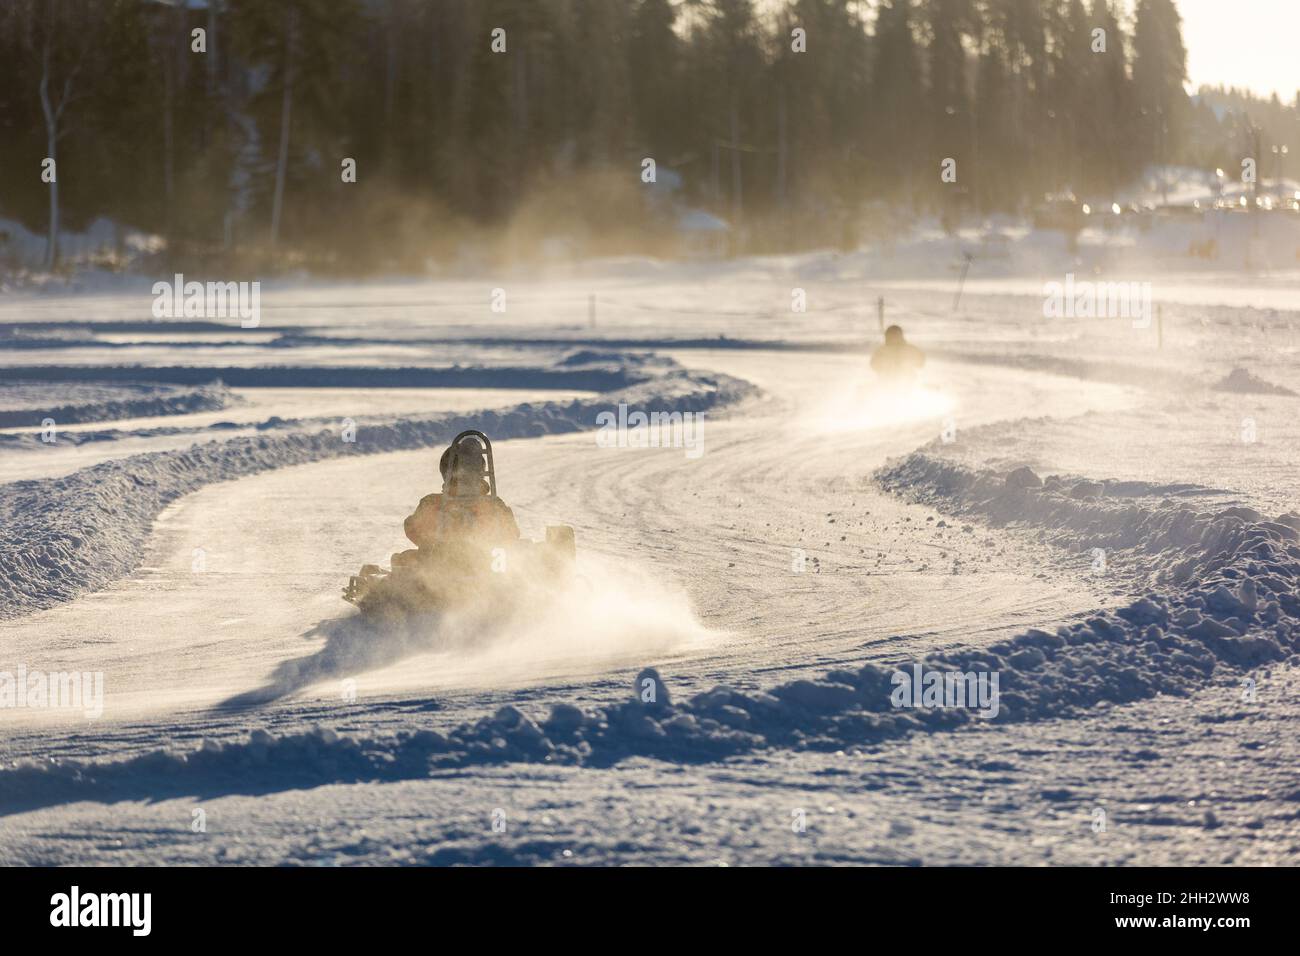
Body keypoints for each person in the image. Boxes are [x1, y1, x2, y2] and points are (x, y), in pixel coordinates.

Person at [403, 436, 520, 553]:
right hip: (487, 564)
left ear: (445, 471)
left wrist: (430, 544)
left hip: (442, 563)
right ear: (481, 470)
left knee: (403, 559)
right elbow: (512, 534)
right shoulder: (494, 504)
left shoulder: (431, 503)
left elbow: (412, 528)